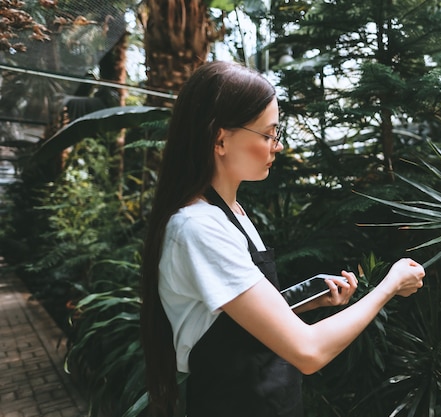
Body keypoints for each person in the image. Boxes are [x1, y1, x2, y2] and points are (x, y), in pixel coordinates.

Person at [139, 60, 425, 417]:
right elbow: (308, 351)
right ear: (220, 138)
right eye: (268, 134)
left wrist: (308, 300)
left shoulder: (233, 214)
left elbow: (228, 323)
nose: (277, 146)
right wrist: (390, 284)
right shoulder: (198, 227)